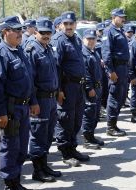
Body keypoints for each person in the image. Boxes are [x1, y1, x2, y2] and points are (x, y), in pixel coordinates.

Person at [0, 16, 34, 190]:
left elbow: (28, 79)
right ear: (5, 32)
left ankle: (16, 179)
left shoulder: (19, 50)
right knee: (10, 147)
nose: (20, 33)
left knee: (22, 147)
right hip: (10, 108)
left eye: (21, 30)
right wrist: (0, 113)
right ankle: (10, 183)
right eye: (16, 30)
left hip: (23, 106)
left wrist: (33, 101)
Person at [25, 18, 62, 183]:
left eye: (49, 33)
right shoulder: (32, 50)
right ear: (36, 32)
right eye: (43, 33)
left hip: (52, 98)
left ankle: (45, 165)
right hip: (39, 99)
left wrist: (58, 91)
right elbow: (29, 80)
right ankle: (37, 170)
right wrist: (33, 102)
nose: (46, 35)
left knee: (47, 134)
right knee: (38, 135)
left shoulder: (48, 49)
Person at [51, 11, 89, 167]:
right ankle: (65, 152)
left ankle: (73, 148)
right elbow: (56, 67)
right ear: (61, 25)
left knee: (77, 118)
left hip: (78, 85)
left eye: (71, 23)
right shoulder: (59, 40)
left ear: (75, 24)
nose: (68, 26)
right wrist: (59, 90)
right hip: (66, 86)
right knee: (65, 119)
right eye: (65, 24)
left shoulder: (76, 38)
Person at [101, 8, 129, 137]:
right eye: (121, 17)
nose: (123, 19)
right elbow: (106, 54)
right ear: (113, 17)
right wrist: (110, 71)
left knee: (121, 96)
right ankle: (110, 127)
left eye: (124, 17)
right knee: (114, 97)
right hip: (116, 69)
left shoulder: (120, 31)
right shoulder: (109, 31)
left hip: (123, 68)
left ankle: (114, 124)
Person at [81, 29, 104, 149]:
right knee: (89, 113)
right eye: (88, 39)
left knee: (95, 114)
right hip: (91, 88)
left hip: (98, 87)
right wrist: (89, 87)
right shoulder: (84, 53)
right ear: (83, 39)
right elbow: (85, 73)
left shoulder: (93, 52)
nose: (91, 41)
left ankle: (91, 136)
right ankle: (87, 139)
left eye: (93, 39)